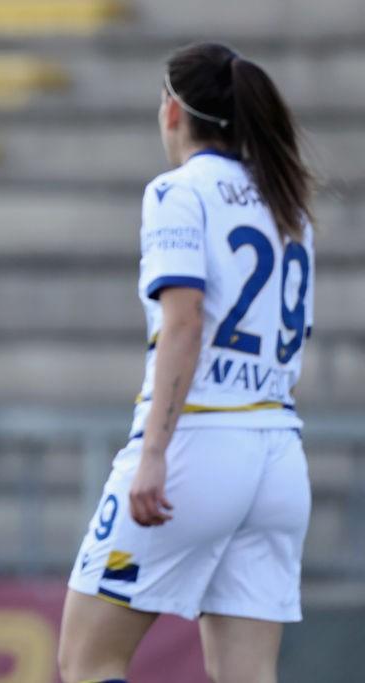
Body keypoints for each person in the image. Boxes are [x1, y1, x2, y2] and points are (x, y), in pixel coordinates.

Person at [58, 42, 315, 683]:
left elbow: (184, 321)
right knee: (248, 675)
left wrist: (153, 453)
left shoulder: (177, 193)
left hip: (197, 445)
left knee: (88, 659)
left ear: (173, 110)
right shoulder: (287, 201)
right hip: (278, 454)